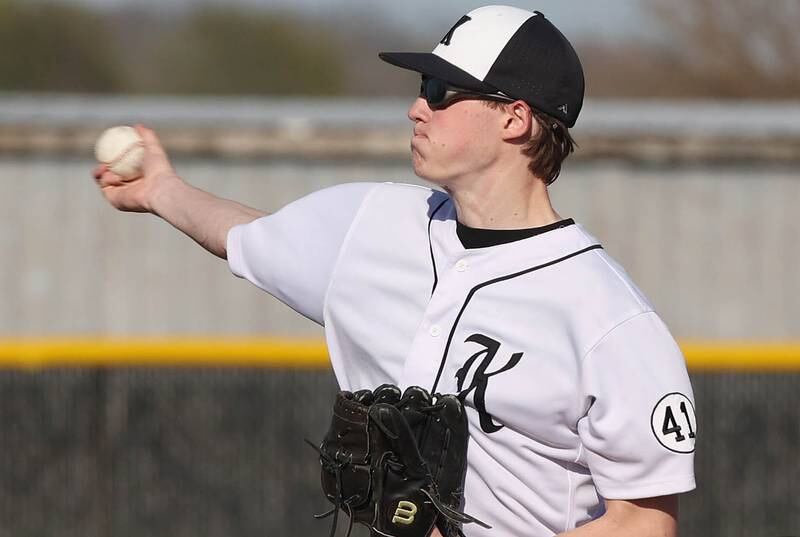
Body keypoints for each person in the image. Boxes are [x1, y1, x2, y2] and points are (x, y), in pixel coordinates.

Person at [93, 6, 696, 537]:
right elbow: (245, 235)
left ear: (514, 118)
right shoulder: (370, 224)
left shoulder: (609, 319)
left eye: (440, 89)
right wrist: (160, 191)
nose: (416, 107)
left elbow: (643, 522)